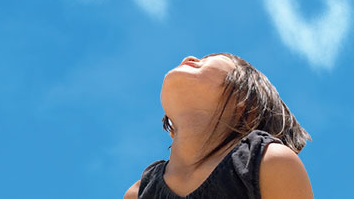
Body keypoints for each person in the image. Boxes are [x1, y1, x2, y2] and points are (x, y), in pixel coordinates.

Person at [123, 53, 314, 198]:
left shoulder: (268, 162)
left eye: (207, 59)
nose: (189, 57)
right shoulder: (138, 193)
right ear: (171, 128)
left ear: (246, 104)